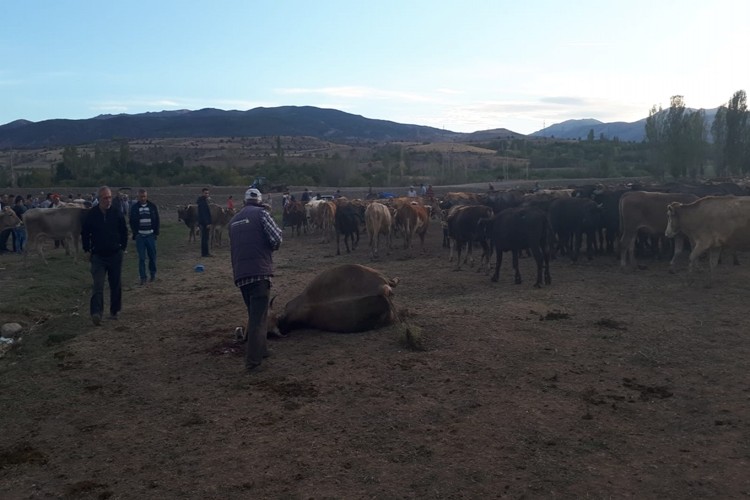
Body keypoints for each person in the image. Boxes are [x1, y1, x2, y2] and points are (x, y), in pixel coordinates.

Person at [229, 188, 283, 373]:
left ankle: (263, 350)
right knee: (259, 319)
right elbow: (277, 238)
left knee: (254, 315)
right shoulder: (262, 214)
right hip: (259, 273)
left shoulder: (234, 220)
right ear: (259, 201)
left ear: (244, 202)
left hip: (241, 275)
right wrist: (270, 247)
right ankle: (253, 362)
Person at [81, 186, 128, 326]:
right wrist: (87, 249)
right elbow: (85, 233)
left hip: (115, 254)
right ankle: (96, 313)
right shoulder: (92, 214)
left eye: (109, 197)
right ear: (99, 199)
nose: (108, 200)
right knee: (98, 285)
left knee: (115, 284)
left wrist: (122, 248)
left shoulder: (116, 212)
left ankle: (114, 311)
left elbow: (124, 231)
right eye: (105, 198)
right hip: (98, 256)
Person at [129, 188, 160, 286]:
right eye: (141, 196)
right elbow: (131, 222)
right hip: (140, 236)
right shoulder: (134, 208)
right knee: (142, 258)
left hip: (150, 235)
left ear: (147, 196)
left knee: (152, 256)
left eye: (144, 196)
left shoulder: (152, 207)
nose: (143, 198)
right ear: (138, 197)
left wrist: (156, 233)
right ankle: (143, 277)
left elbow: (157, 220)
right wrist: (136, 233)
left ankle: (152, 274)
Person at [197, 187, 212, 257]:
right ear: (202, 193)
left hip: (204, 222)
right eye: (206, 193)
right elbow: (204, 214)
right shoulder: (202, 202)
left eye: (208, 193)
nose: (207, 194)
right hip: (204, 223)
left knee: (205, 238)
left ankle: (206, 252)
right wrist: (207, 223)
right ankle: (204, 253)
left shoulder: (203, 201)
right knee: (204, 238)